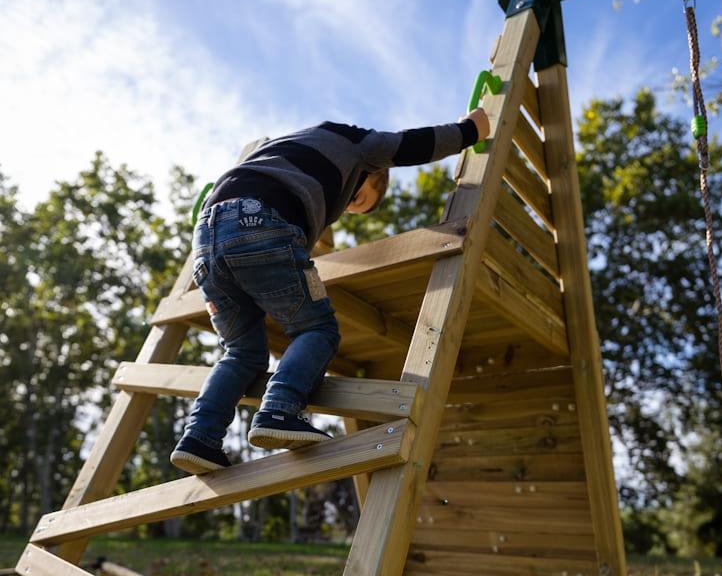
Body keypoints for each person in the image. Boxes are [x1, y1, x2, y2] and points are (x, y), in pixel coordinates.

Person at [170, 107, 491, 474]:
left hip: (205, 242)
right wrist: (469, 131)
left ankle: (199, 437)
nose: (349, 204)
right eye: (358, 199)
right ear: (374, 170)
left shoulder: (284, 150)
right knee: (317, 328)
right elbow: (409, 145)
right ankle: (280, 409)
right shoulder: (357, 144)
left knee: (241, 351)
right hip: (260, 222)